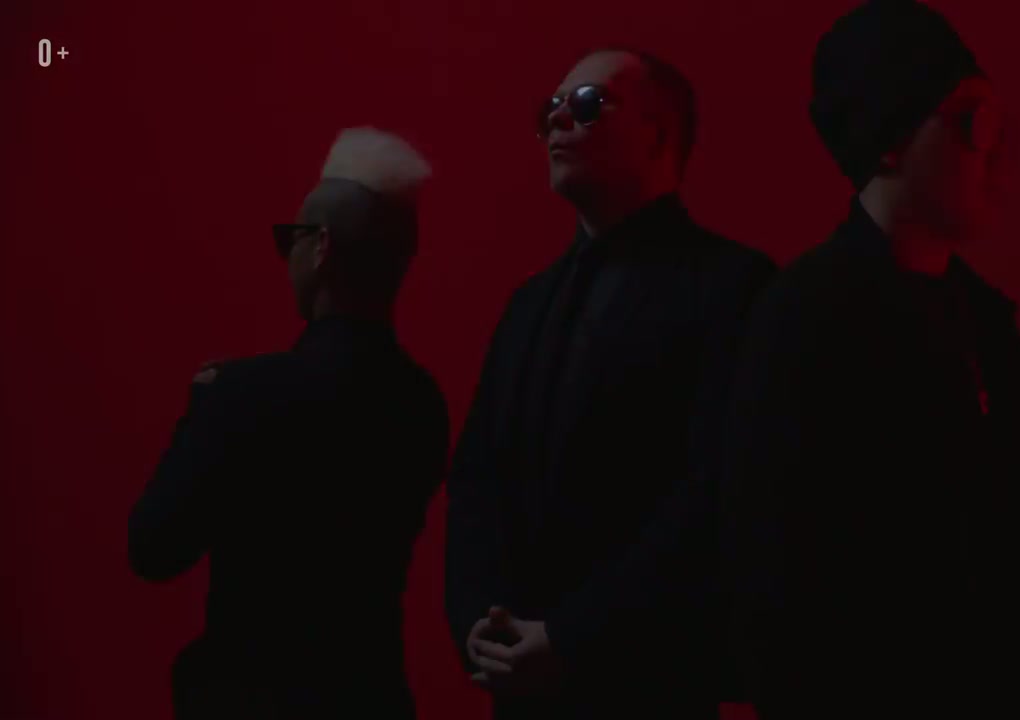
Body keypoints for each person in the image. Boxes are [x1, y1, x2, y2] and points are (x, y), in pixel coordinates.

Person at [721, 1, 1020, 717]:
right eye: (972, 123)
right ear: (890, 140)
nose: (996, 152)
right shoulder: (800, 319)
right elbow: (771, 585)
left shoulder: (987, 326)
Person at [445, 48, 776, 719]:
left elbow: (714, 493)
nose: (558, 120)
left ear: (658, 135)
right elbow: (478, 480)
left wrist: (572, 637)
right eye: (550, 108)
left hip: (648, 685)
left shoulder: (734, 287)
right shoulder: (527, 304)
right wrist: (478, 622)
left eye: (588, 103)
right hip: (519, 686)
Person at [128, 128, 448, 719]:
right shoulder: (423, 403)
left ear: (321, 247)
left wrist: (206, 407)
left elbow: (153, 548)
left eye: (289, 239)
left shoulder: (243, 395)